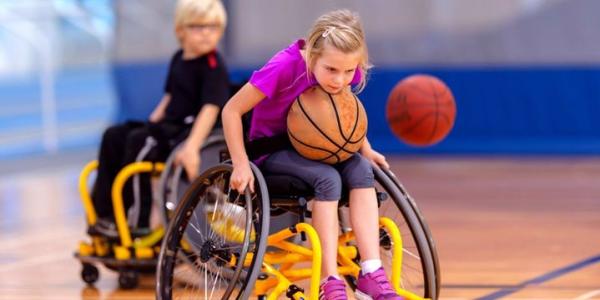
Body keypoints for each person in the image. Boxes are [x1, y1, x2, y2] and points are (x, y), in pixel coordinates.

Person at [222, 9, 403, 300]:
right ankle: (329, 280)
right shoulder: (284, 66)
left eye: (348, 72)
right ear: (313, 54)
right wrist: (240, 164)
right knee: (328, 179)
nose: (340, 80)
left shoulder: (342, 66)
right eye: (331, 70)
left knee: (362, 171)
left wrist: (365, 148)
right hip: (274, 148)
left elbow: (343, 116)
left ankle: (371, 271)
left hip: (320, 147)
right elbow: (231, 110)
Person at [91, 0, 230, 238]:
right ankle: (104, 213)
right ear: (180, 31)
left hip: (186, 133)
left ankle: (136, 220)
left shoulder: (213, 66)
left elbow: (211, 108)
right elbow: (169, 98)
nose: (207, 33)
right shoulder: (179, 58)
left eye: (214, 27)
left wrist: (193, 147)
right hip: (168, 127)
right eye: (198, 27)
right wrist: (151, 123)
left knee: (138, 144)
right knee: (114, 135)